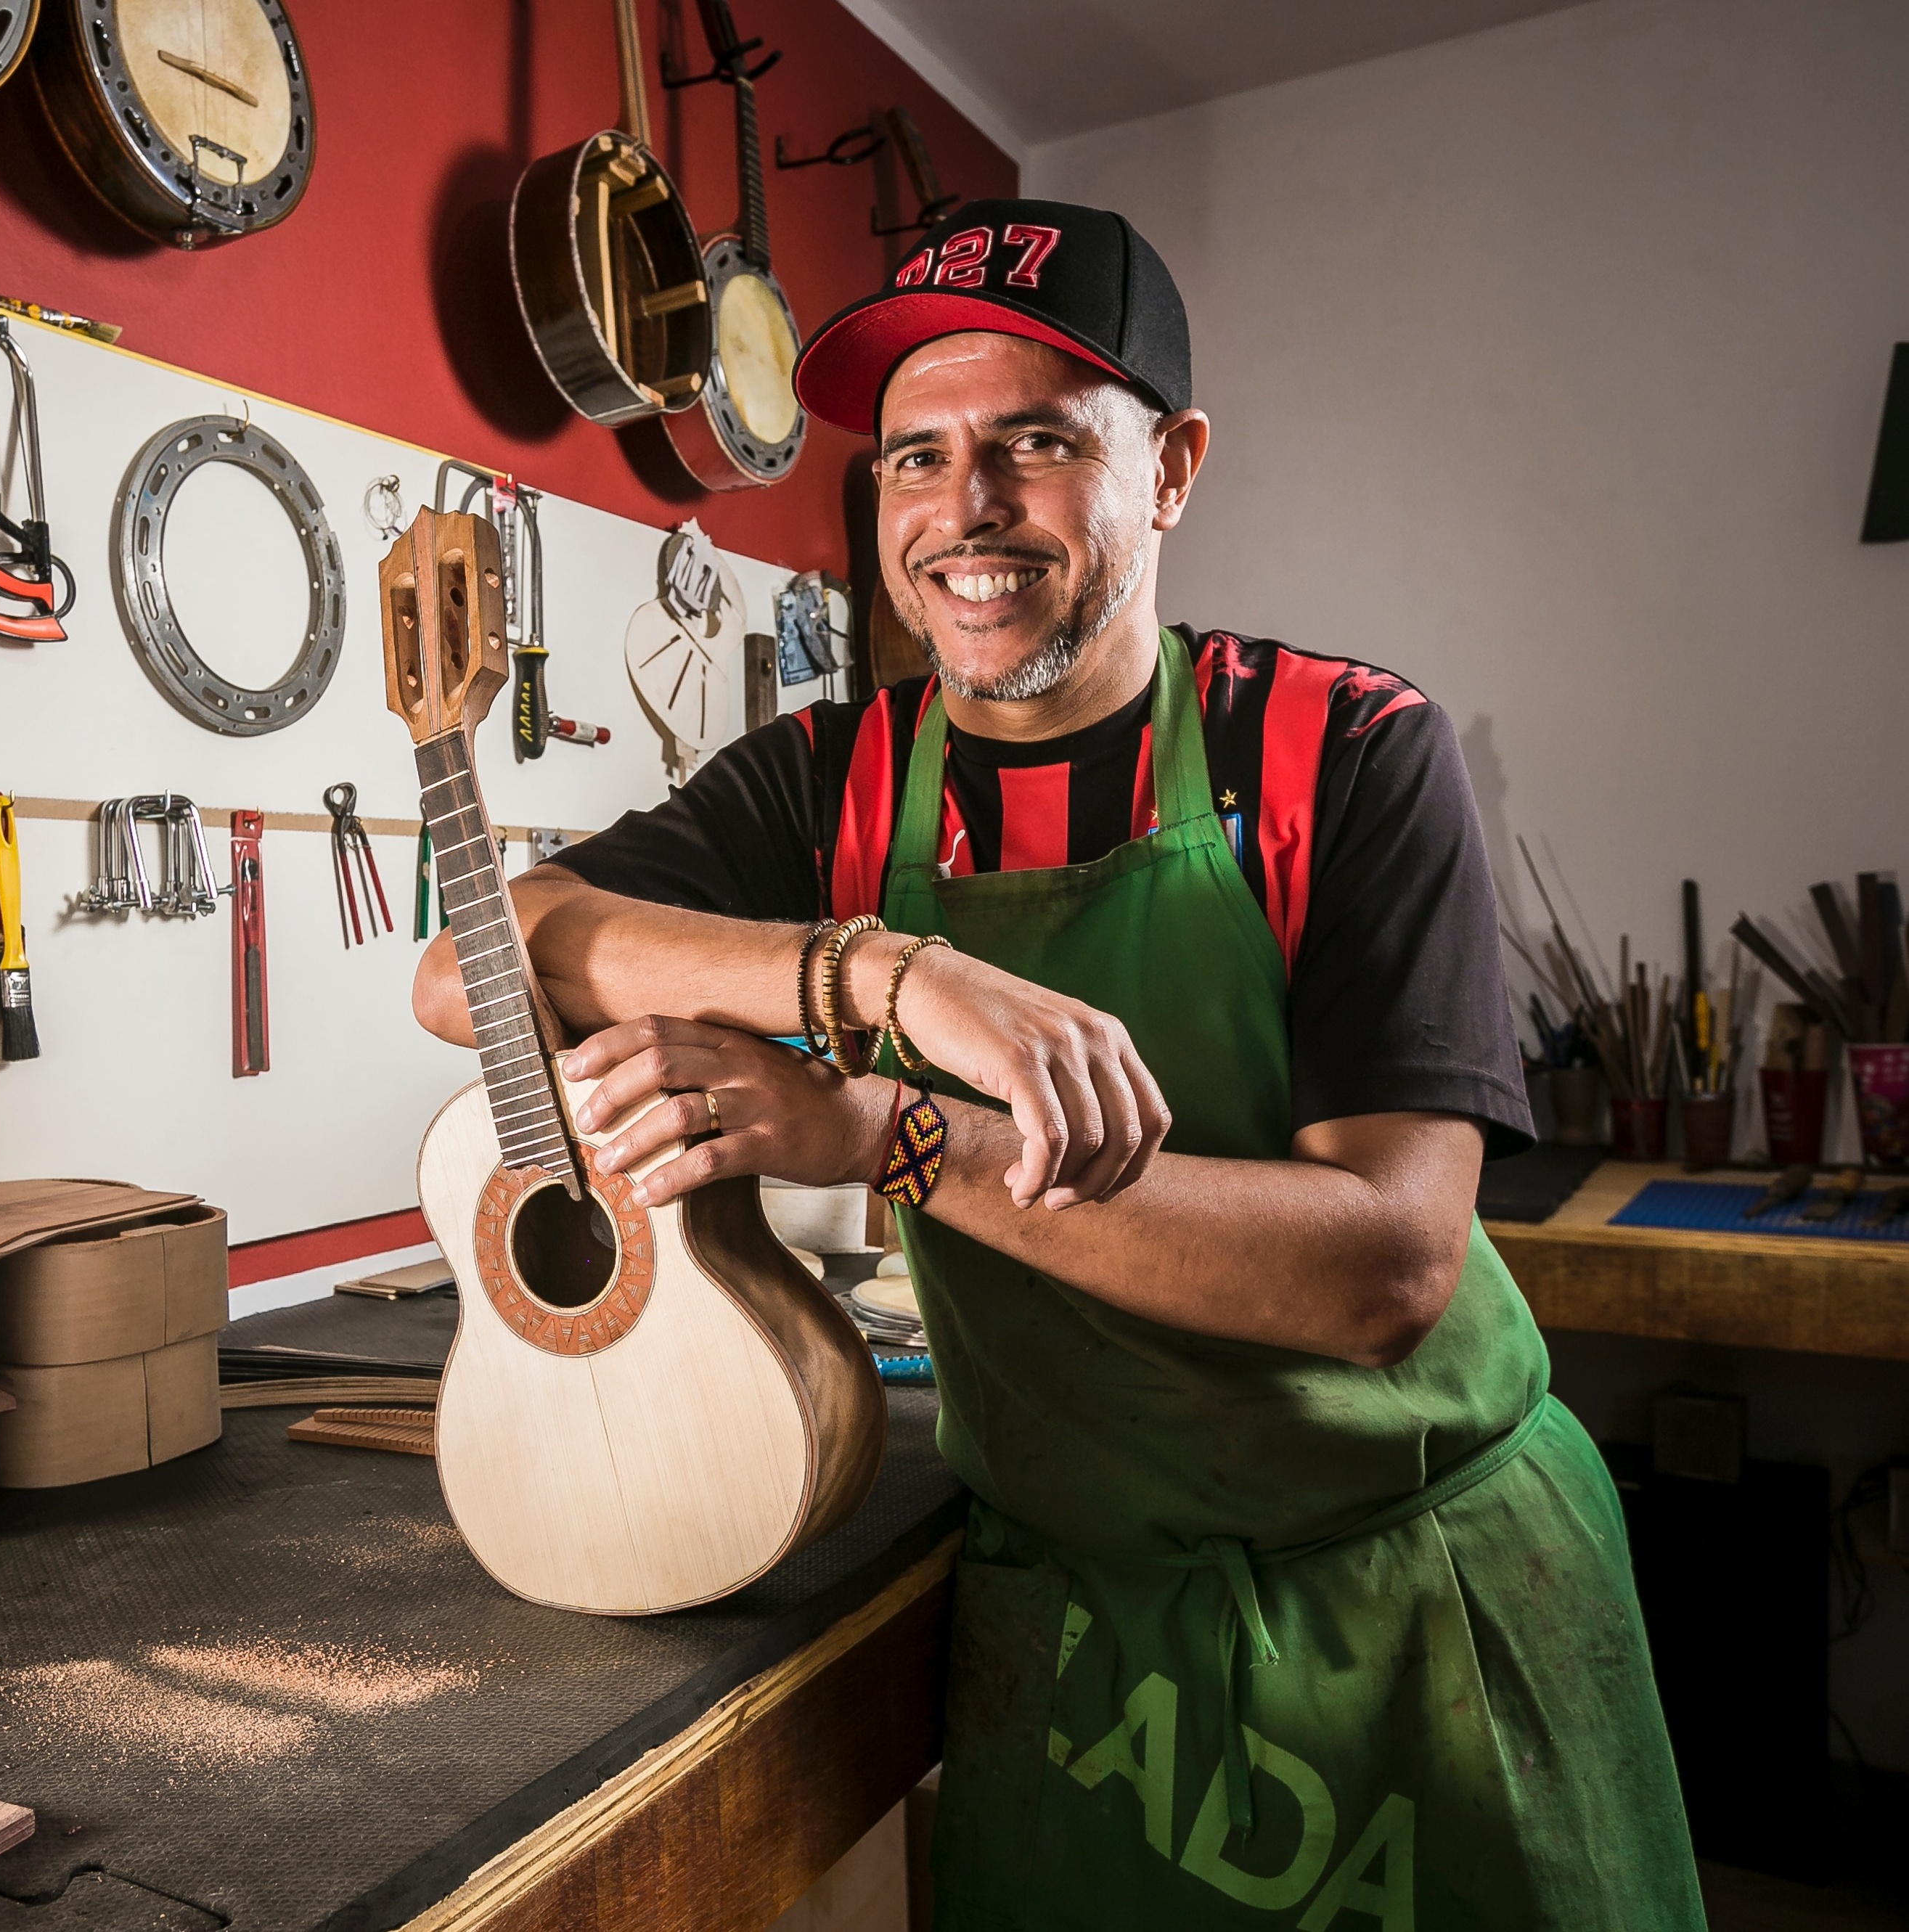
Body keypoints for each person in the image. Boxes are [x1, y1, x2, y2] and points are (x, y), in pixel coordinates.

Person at [414, 197, 1701, 1928]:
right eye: (914, 458)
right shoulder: (833, 782)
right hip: (1085, 1632)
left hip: (1413, 1603)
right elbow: (469, 957)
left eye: (1034, 441)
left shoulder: (1337, 746)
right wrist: (875, 962)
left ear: (1167, 466)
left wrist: (877, 1127)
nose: (963, 513)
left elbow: (1385, 1269)